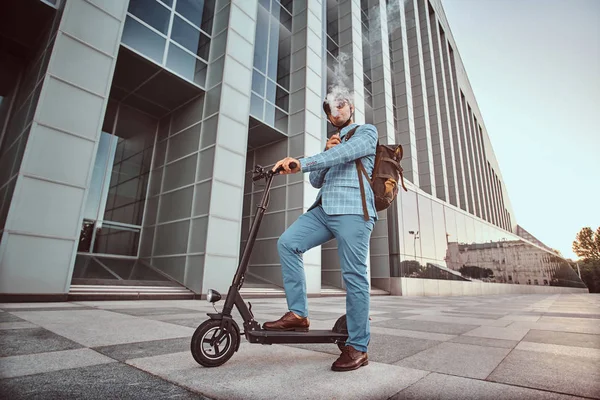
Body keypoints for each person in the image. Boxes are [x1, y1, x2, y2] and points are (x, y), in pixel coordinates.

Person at [263, 96, 378, 372]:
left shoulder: (366, 132)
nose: (336, 110)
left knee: (354, 276)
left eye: (341, 105)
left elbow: (344, 155)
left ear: (350, 108)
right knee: (288, 243)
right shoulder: (332, 144)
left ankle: (358, 347)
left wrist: (303, 162)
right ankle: (298, 314)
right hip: (324, 210)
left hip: (353, 211)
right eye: (330, 109)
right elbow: (317, 181)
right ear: (329, 119)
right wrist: (324, 152)